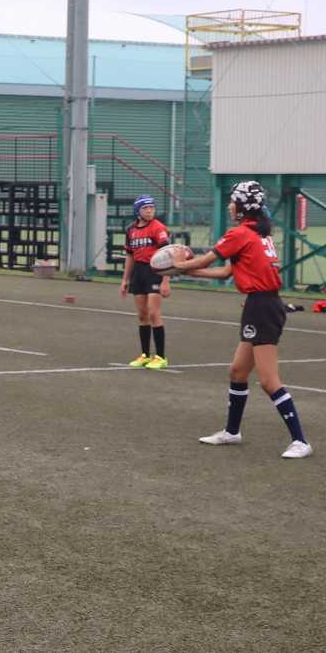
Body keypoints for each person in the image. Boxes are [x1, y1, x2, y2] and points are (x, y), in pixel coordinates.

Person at [172, 180, 311, 459]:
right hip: (259, 304)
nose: (229, 206)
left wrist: (178, 265)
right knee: (237, 372)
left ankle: (300, 441)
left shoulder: (240, 233)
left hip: (262, 307)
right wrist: (185, 272)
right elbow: (226, 273)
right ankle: (232, 432)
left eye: (233, 201)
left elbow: (206, 260)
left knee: (269, 380)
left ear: (243, 206)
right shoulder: (257, 233)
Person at [119, 195, 171, 370]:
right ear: (137, 211)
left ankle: (161, 357)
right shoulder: (131, 230)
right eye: (145, 208)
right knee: (142, 315)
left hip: (155, 271)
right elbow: (130, 256)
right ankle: (145, 355)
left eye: (152, 208)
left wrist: (166, 280)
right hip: (138, 273)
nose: (149, 211)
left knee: (154, 313)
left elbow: (168, 253)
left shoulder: (158, 228)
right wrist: (125, 280)